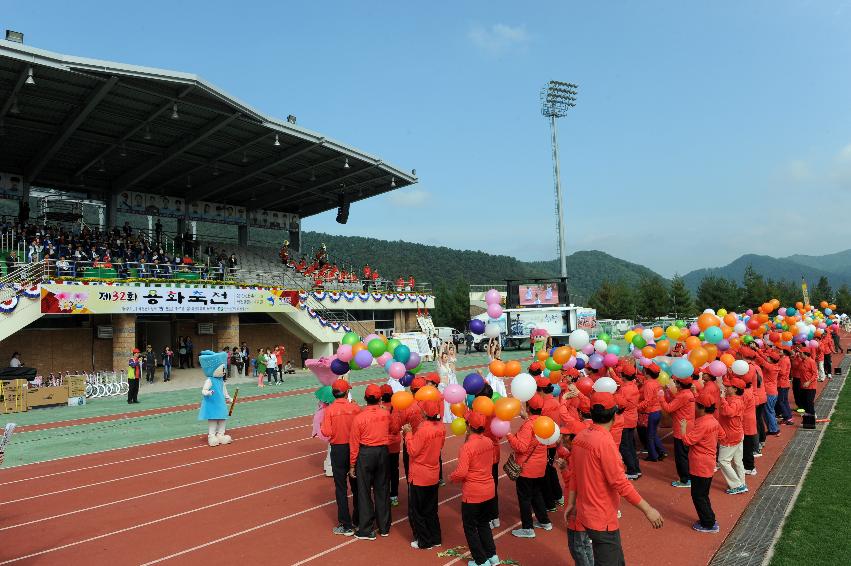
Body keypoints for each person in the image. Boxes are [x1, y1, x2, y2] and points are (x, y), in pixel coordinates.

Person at [565, 391, 664, 564]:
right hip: (602, 518)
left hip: (586, 513)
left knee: (617, 560)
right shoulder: (605, 443)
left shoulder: (580, 437)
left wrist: (572, 503)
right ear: (614, 415)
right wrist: (648, 510)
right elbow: (620, 483)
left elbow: (574, 474)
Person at [451, 411, 499, 566]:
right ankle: (492, 555)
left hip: (473, 492)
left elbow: (461, 472)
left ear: (468, 426)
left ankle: (480, 560)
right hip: (489, 489)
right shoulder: (488, 441)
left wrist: (452, 478)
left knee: (470, 527)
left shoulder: (467, 447)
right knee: (483, 523)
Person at [349, 384, 391, 540]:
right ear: (379, 398)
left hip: (366, 453)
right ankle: (384, 526)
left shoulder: (359, 417)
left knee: (364, 491)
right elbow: (392, 428)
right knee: (382, 489)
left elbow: (354, 443)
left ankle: (366, 528)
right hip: (383, 452)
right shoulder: (386, 414)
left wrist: (352, 464)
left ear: (365, 398)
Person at [507, 393, 551, 538]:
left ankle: (527, 528)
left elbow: (521, 447)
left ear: (528, 408)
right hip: (540, 466)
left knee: (525, 497)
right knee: (537, 494)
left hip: (527, 469)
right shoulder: (544, 422)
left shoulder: (528, 425)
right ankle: (544, 521)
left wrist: (509, 435)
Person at [680, 391, 726, 533]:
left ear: (702, 408)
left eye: (696, 405)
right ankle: (709, 519)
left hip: (700, 463)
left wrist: (683, 430)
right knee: (703, 494)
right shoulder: (713, 421)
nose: (694, 408)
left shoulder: (703, 423)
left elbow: (688, 441)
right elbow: (722, 436)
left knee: (698, 495)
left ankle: (708, 523)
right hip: (708, 461)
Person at [403, 398, 446, 550]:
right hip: (433, 473)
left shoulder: (423, 429)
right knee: (431, 509)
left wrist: (408, 435)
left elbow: (412, 451)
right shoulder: (441, 428)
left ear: (425, 413)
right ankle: (435, 537)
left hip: (420, 475)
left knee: (418, 511)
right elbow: (440, 445)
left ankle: (424, 541)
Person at [321, 379, 361, 536]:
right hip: (354, 448)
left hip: (338, 450)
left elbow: (326, 432)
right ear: (346, 393)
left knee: (341, 488)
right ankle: (359, 519)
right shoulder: (355, 408)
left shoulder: (329, 411)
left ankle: (346, 525)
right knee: (357, 486)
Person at [556, 418, 593, 566]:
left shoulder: (577, 457)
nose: (563, 437)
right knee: (584, 543)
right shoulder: (578, 452)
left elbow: (573, 483)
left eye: (566, 435)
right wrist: (559, 447)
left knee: (577, 546)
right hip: (581, 506)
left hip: (577, 507)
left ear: (574, 438)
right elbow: (566, 454)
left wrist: (564, 469)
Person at [660, 374, 696, 487]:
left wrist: (661, 397)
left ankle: (685, 480)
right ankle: (688, 477)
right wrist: (668, 392)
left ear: (680, 384)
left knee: (681, 457)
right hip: (686, 427)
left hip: (681, 430)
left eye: (676, 382)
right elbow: (675, 401)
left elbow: (669, 408)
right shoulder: (686, 393)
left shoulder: (683, 395)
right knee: (685, 455)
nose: (675, 384)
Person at [718, 376, 748, 494]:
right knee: (737, 461)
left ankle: (737, 485)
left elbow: (728, 412)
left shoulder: (735, 401)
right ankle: (742, 483)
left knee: (723, 461)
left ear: (735, 389)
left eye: (728, 386)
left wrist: (722, 399)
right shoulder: (734, 398)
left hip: (731, 435)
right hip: (737, 433)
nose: (726, 387)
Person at [198, 350, 233, 447]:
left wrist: (229, 398)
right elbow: (203, 390)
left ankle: (221, 434)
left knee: (222, 418)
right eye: (222, 369)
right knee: (213, 419)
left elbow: (224, 391)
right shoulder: (210, 380)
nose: (224, 371)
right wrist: (208, 392)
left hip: (220, 403)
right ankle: (212, 436)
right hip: (212, 403)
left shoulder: (221, 381)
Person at [614, 363, 641, 480]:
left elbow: (620, 405)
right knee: (630, 446)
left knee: (624, 446)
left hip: (624, 420)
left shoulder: (624, 389)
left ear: (623, 375)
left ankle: (631, 470)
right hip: (633, 419)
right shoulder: (634, 386)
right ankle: (636, 469)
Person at [637, 363, 667, 462]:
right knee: (653, 434)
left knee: (649, 436)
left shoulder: (649, 384)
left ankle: (653, 456)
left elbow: (647, 401)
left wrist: (636, 407)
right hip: (657, 411)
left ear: (647, 373)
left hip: (650, 412)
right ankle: (661, 451)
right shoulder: (656, 383)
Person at [380, 385, 402, 508]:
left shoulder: (380, 409)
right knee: (394, 471)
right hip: (394, 445)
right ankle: (394, 496)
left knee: (383, 472)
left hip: (383, 444)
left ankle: (383, 495)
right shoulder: (397, 408)